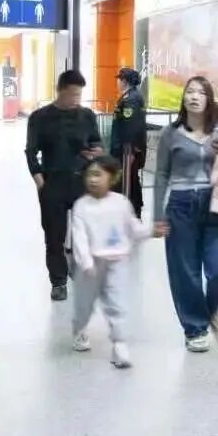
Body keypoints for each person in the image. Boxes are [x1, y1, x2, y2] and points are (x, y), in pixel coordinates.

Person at [153, 76, 218, 352]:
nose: (194, 96)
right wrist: (157, 215)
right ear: (184, 98)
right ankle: (195, 328)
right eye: (190, 92)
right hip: (181, 204)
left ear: (209, 99)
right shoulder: (171, 133)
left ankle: (211, 311)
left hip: (216, 206)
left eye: (201, 92)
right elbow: (161, 174)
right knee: (185, 271)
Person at [71, 155, 165, 368]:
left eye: (98, 175)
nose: (93, 180)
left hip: (117, 262)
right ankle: (79, 329)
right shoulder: (81, 206)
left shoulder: (121, 203)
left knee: (117, 304)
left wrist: (151, 231)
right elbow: (79, 237)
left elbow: (133, 229)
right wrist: (86, 263)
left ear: (112, 178)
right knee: (84, 305)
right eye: (89, 175)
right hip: (91, 265)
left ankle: (120, 345)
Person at [25, 70, 102, 301]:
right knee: (54, 237)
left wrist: (96, 152)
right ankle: (58, 281)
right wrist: (40, 182)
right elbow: (31, 152)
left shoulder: (87, 116)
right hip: (53, 183)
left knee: (84, 233)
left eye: (79, 95)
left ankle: (79, 269)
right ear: (60, 91)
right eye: (73, 94)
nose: (76, 99)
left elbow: (97, 142)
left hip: (81, 182)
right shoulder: (40, 117)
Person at [110, 67, 147, 218]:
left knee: (127, 182)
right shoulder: (130, 97)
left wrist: (130, 152)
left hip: (127, 151)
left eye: (119, 79)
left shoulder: (131, 99)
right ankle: (132, 212)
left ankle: (131, 214)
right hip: (125, 150)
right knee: (129, 181)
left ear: (124, 81)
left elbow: (132, 127)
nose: (118, 82)